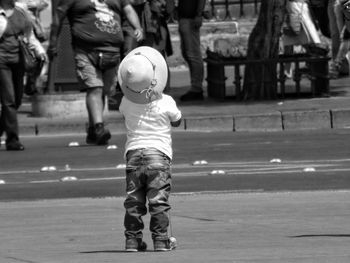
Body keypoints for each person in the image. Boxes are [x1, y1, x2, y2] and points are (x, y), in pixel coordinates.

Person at [47, 0, 143, 146]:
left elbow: (128, 10)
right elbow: (58, 17)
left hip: (112, 52)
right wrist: (53, 41)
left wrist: (138, 27)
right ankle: (99, 128)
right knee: (94, 87)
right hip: (85, 50)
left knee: (105, 90)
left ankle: (93, 129)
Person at [118, 46, 182, 252]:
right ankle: (161, 239)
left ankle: (132, 240)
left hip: (134, 154)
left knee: (134, 200)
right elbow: (177, 120)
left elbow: (126, 114)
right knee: (158, 200)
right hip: (159, 156)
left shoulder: (125, 102)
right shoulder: (166, 101)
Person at [0, 0, 46, 150]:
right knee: (9, 100)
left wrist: (39, 51)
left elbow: (29, 35)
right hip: (1, 61)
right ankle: (12, 140)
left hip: (19, 59)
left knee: (17, 99)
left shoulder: (21, 11)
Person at [177, 0, 206, 102]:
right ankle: (195, 87)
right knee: (187, 53)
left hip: (191, 19)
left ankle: (196, 88)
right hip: (185, 18)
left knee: (193, 54)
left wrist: (199, 14)